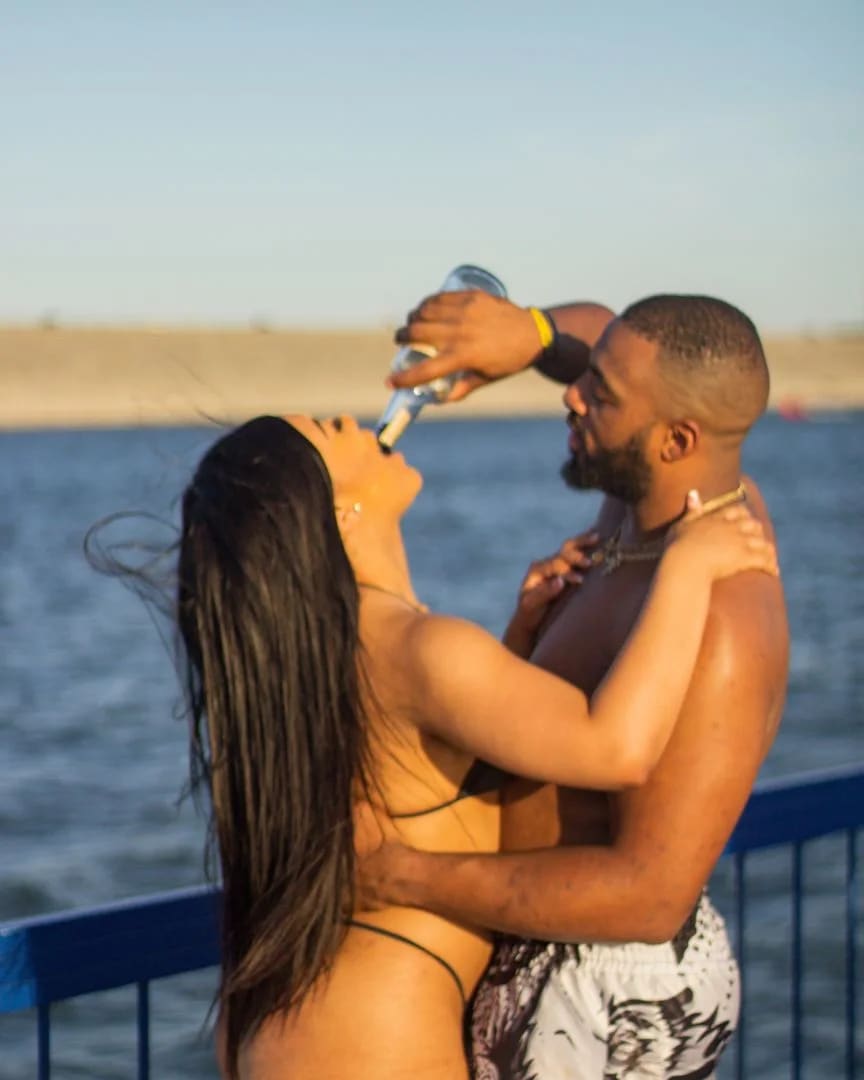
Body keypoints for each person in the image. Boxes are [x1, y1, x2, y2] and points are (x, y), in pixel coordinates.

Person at [137, 407, 777, 1080]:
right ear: (338, 513)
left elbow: (424, 775)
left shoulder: (334, 651)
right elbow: (618, 748)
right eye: (331, 430)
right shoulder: (415, 646)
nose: (355, 421)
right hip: (371, 1035)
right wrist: (685, 569)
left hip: (301, 1020)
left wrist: (518, 642)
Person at [359, 291, 790, 1078]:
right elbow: (611, 338)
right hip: (543, 954)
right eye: (585, 375)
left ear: (677, 439)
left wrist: (405, 875)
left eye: (601, 394)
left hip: (601, 994)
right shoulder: (639, 508)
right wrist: (527, 334)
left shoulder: (722, 616)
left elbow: (649, 894)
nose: (573, 395)